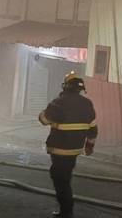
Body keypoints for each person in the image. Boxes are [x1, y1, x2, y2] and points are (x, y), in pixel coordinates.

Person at [38, 72, 98, 218]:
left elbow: (44, 120)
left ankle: (66, 211)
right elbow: (93, 128)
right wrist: (89, 145)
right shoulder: (87, 104)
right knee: (65, 177)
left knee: (60, 179)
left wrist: (42, 114)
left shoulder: (59, 102)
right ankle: (66, 210)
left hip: (59, 149)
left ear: (66, 86)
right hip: (75, 149)